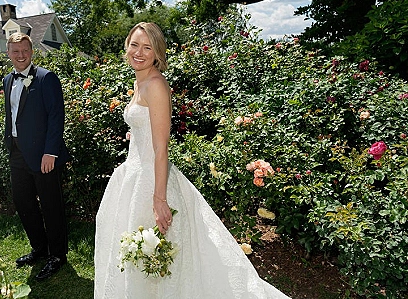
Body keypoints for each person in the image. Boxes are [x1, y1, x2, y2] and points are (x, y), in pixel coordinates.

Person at [94, 22, 291, 298]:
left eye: (147, 47)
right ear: (126, 46)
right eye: (134, 44)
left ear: (157, 54)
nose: (138, 52)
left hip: (152, 180)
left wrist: (159, 199)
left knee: (160, 257)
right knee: (139, 258)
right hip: (133, 174)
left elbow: (161, 148)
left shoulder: (155, 85)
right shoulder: (140, 82)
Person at [3, 32, 69, 280]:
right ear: (8, 53)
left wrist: (50, 151)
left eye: (25, 51)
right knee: (23, 203)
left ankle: (57, 255)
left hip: (44, 155)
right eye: (15, 51)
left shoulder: (46, 78)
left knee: (51, 206)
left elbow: (56, 116)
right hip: (17, 153)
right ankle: (39, 248)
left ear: (32, 52)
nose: (21, 56)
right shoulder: (7, 80)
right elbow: (13, 115)